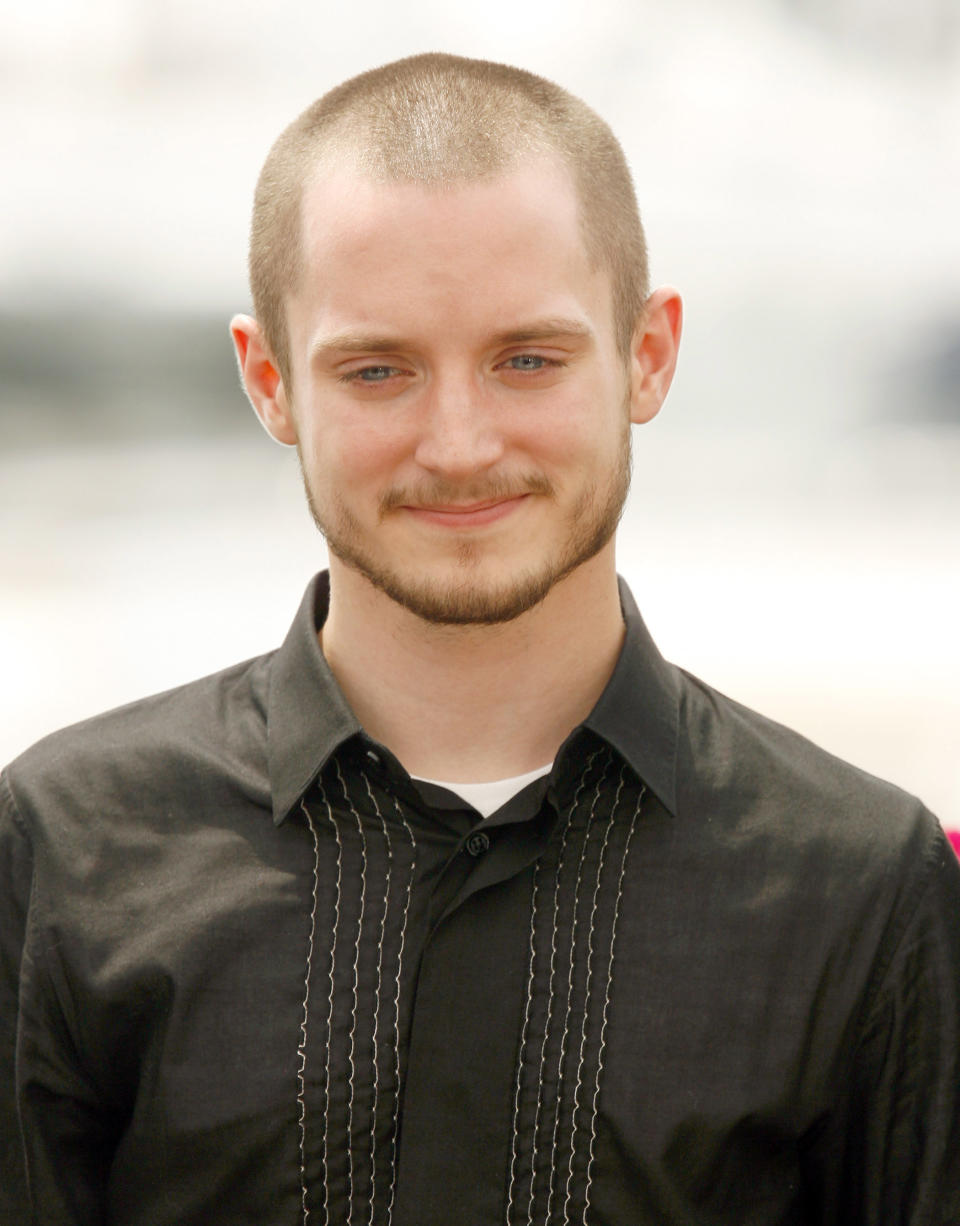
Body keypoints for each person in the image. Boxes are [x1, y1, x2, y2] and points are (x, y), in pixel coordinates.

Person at [1, 51, 958, 1226]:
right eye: (378, 368)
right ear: (269, 380)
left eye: (527, 359)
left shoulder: (862, 881)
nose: (457, 444)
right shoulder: (63, 848)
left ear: (648, 353)